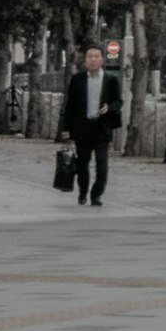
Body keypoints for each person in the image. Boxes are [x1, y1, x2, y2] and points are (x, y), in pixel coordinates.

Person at [58, 41, 122, 207]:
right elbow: (70, 104)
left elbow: (118, 101)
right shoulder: (77, 80)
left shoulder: (111, 80)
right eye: (90, 57)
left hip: (101, 128)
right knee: (82, 164)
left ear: (102, 60)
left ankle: (96, 194)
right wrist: (66, 128)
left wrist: (109, 107)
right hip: (83, 128)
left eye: (96, 56)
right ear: (85, 60)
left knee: (102, 166)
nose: (93, 60)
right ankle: (83, 192)